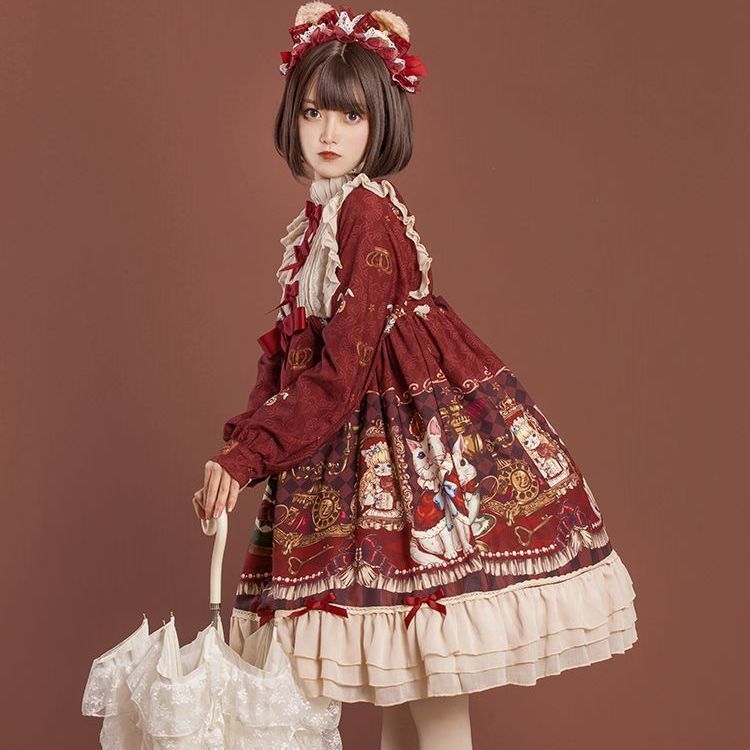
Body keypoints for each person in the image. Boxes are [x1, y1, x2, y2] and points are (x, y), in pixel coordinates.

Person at [193, 4, 638, 748]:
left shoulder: (365, 215)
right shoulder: (322, 219)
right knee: (403, 685)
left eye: (351, 116)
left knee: (427, 681)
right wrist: (240, 451)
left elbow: (340, 375)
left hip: (407, 468)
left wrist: (249, 456)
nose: (329, 132)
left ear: (380, 125)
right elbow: (290, 356)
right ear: (292, 118)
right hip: (360, 462)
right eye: (313, 112)